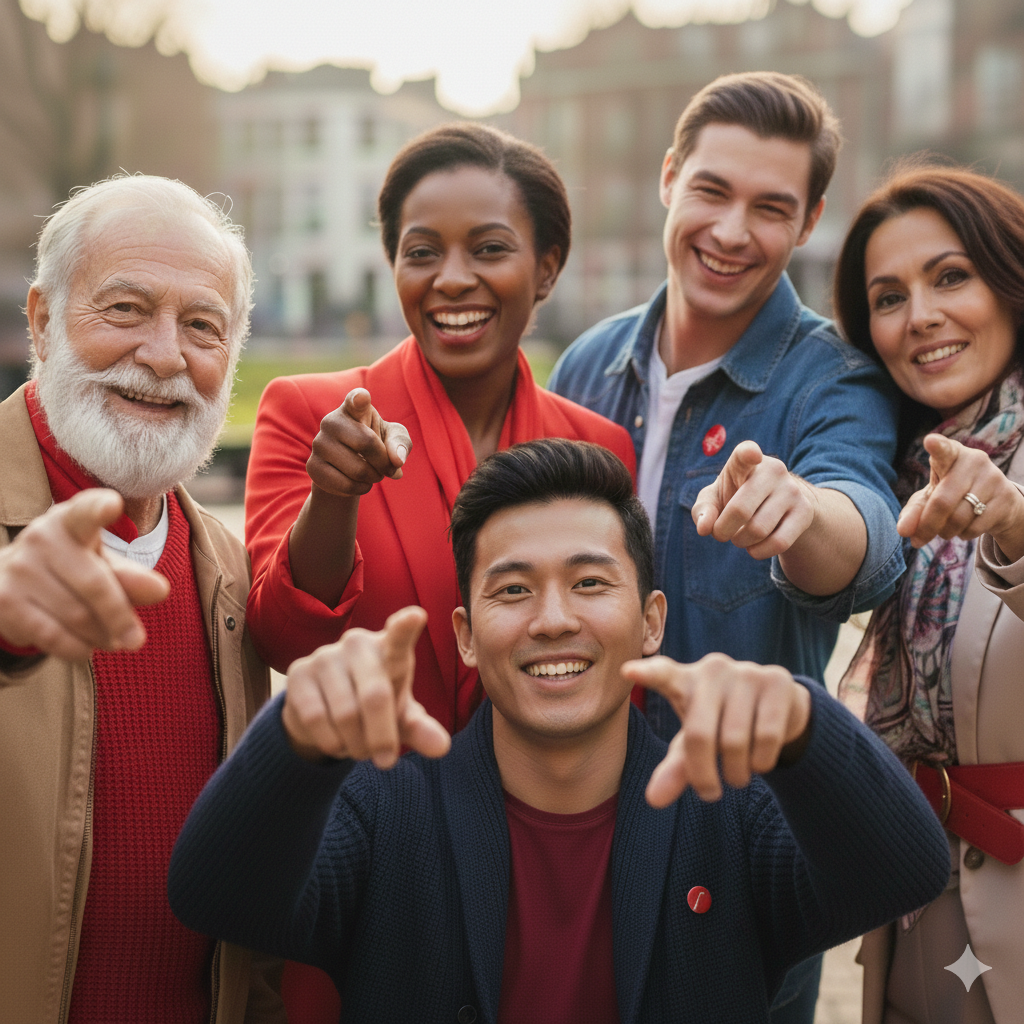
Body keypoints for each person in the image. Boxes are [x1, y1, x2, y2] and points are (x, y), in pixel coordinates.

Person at [169, 437, 950, 1023]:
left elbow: (906, 872)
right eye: (513, 591)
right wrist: (294, 740)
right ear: (467, 636)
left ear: (651, 622)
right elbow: (215, 895)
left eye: (589, 583)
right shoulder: (386, 810)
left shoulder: (730, 812)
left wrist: (806, 725)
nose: (552, 621)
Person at [244, 123, 635, 1019]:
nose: (451, 279)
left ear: (546, 267)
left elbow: (615, 669)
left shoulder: (597, 445)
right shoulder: (310, 413)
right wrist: (331, 500)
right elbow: (280, 633)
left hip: (551, 861)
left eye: (489, 249)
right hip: (366, 855)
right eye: (422, 253)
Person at [546, 71, 906, 1020]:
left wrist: (801, 517)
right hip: (572, 823)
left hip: (732, 846)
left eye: (771, 207)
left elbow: (866, 538)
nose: (733, 230)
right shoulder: (588, 362)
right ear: (670, 178)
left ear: (811, 218)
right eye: (712, 190)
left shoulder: (835, 378)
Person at [0, 176, 282, 1023]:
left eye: (202, 327)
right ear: (42, 320)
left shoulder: (230, 575)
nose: (165, 356)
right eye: (125, 309)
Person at [833, 164, 1024, 1024]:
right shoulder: (895, 479)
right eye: (888, 296)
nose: (921, 317)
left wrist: (1014, 529)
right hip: (914, 904)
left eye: (951, 276)